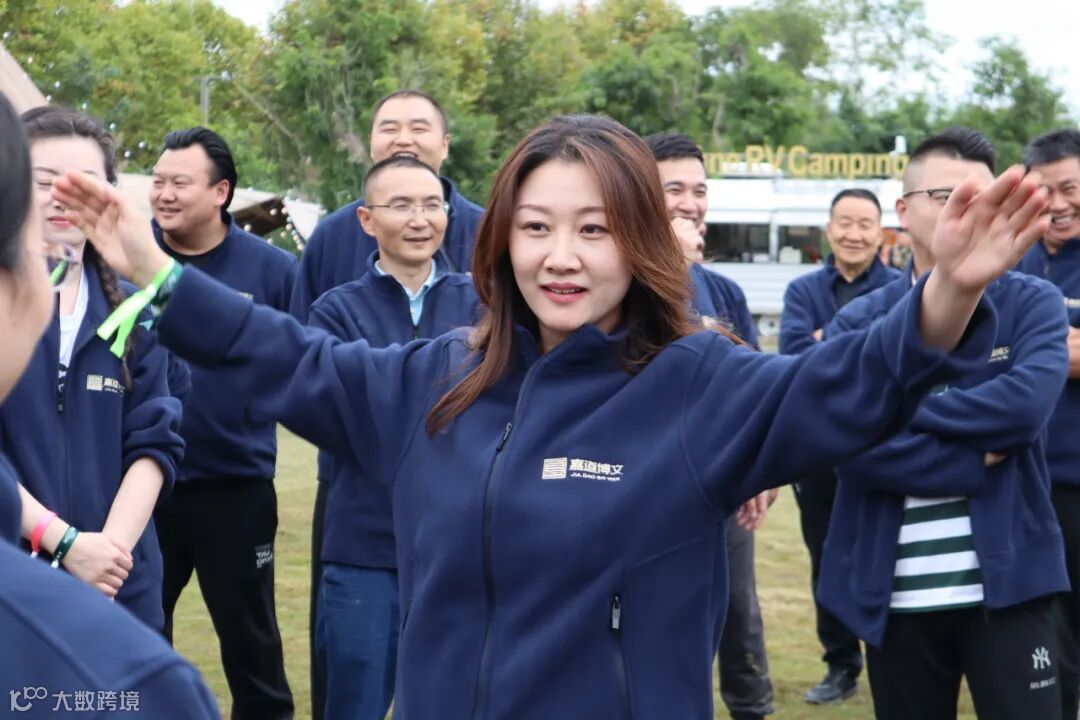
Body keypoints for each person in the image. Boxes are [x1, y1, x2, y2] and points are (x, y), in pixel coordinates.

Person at [57, 113, 1048, 719]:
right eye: (535, 227)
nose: (559, 257)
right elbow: (284, 355)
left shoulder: (699, 384)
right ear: (500, 239)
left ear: (641, 240)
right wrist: (153, 270)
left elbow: (847, 386)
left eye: (594, 229)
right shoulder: (431, 382)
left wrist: (948, 294)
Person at [820, 127, 1070, 720]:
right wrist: (971, 455)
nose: (968, 209)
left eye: (983, 196)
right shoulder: (859, 321)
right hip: (895, 595)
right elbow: (846, 443)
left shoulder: (1032, 303)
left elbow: (1023, 411)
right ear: (903, 211)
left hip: (1012, 588)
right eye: (945, 196)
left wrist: (896, 409)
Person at [0, 91, 218, 720]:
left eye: (85, 182)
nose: (64, 196)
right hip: (20, 575)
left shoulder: (136, 308)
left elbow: (157, 438)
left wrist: (108, 555)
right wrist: (64, 544)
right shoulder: (11, 309)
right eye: (45, 179)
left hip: (123, 582)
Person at [290, 90, 484, 717]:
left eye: (432, 205)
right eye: (400, 206)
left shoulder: (483, 303)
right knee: (355, 702)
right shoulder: (336, 310)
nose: (419, 219)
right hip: (364, 544)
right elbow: (331, 411)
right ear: (367, 220)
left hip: (460, 546)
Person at [149, 127, 295, 719]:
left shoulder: (272, 270)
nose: (164, 194)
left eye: (180, 183)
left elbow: (300, 360)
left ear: (221, 192)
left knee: (252, 648)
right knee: (135, 636)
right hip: (138, 486)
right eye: (158, 181)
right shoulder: (125, 255)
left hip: (235, 487)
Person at [646, 131, 775, 720]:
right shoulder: (620, 281)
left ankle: (752, 708)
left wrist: (760, 469)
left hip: (722, 486)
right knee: (664, 625)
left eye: (699, 191)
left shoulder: (724, 291)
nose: (690, 203)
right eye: (673, 189)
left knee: (739, 613)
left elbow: (753, 388)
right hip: (648, 491)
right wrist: (669, 265)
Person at [778, 187, 899, 703]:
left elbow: (905, 360)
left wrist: (830, 342)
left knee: (891, 554)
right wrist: (870, 345)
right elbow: (794, 358)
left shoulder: (902, 288)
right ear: (829, 229)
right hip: (821, 453)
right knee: (826, 558)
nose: (854, 234)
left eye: (865, 224)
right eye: (844, 223)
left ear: (881, 232)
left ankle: (898, 661)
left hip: (887, 448)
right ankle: (841, 665)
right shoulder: (802, 291)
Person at [1017, 128, 1080, 720]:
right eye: (1045, 190)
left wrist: (1027, 349)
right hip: (1029, 481)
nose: (1057, 204)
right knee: (1048, 637)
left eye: (1070, 188)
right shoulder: (1018, 258)